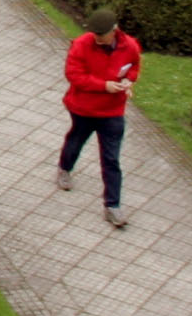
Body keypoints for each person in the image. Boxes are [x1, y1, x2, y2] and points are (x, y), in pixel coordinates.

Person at [58, 13, 139, 227]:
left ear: (114, 30)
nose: (97, 38)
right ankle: (65, 168)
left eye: (101, 34)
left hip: (112, 112)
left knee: (111, 159)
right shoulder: (81, 45)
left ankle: (112, 206)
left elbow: (134, 67)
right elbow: (74, 75)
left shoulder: (130, 46)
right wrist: (104, 86)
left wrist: (129, 81)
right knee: (76, 140)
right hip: (83, 108)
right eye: (95, 34)